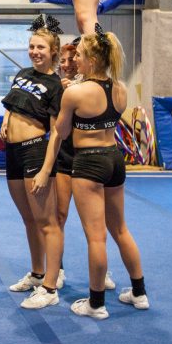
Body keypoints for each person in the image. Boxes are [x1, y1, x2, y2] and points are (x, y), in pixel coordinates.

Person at [33, 26, 149, 319]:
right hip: (114, 159)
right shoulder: (120, 89)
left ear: (94, 61)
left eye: (81, 56)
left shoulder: (75, 92)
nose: (77, 61)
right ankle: (139, 292)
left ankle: (96, 303)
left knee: (96, 237)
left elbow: (61, 131)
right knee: (120, 229)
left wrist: (68, 95)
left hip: (88, 163)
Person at [0, 15, 65, 309]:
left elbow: (56, 133)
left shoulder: (55, 85)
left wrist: (46, 170)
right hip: (12, 152)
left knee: (46, 221)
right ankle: (38, 273)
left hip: (35, 150)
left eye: (41, 47)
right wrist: (8, 121)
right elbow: (13, 103)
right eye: (32, 46)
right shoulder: (23, 73)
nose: (35, 51)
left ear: (53, 52)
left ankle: (50, 287)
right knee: (29, 219)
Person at [55, 41, 116, 291]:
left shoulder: (88, 88)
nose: (69, 64)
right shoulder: (59, 88)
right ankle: (55, 268)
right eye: (64, 61)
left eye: (74, 58)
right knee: (58, 215)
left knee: (94, 225)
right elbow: (55, 132)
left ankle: (101, 273)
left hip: (87, 159)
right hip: (64, 157)